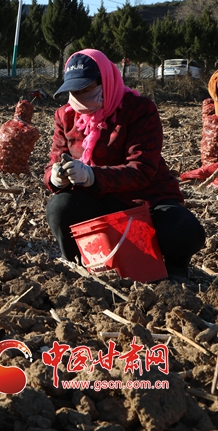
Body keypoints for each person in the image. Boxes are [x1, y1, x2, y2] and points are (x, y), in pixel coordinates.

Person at [44, 49, 206, 282]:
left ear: (105, 82)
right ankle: (81, 266)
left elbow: (142, 169)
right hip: (97, 201)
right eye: (73, 91)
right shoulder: (65, 116)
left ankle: (174, 269)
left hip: (144, 199)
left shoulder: (139, 110)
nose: (78, 98)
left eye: (85, 90)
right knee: (60, 207)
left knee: (183, 229)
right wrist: (55, 177)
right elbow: (54, 160)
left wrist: (92, 176)